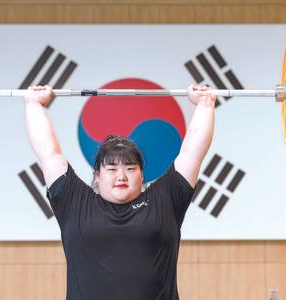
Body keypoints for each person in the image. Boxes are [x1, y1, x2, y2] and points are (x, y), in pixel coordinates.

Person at [24, 84, 215, 300]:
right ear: (97, 175)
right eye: (112, 169)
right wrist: (34, 103)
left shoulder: (165, 200)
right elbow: (49, 153)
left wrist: (205, 103)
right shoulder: (75, 202)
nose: (121, 176)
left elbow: (193, 151)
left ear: (142, 175)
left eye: (130, 168)